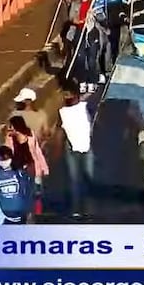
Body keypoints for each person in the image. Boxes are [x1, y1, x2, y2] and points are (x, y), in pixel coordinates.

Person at [56, 87, 94, 219]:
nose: (66, 97)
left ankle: (87, 209)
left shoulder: (85, 107)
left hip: (87, 147)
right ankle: (76, 209)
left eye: (69, 93)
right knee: (74, 180)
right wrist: (58, 149)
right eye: (65, 94)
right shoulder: (62, 112)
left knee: (88, 178)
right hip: (71, 149)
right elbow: (60, 132)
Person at [0, 145, 34, 224]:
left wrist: (29, 211)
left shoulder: (19, 173)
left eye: (6, 159)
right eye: (0, 159)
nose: (3, 162)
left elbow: (27, 192)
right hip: (4, 216)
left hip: (21, 215)